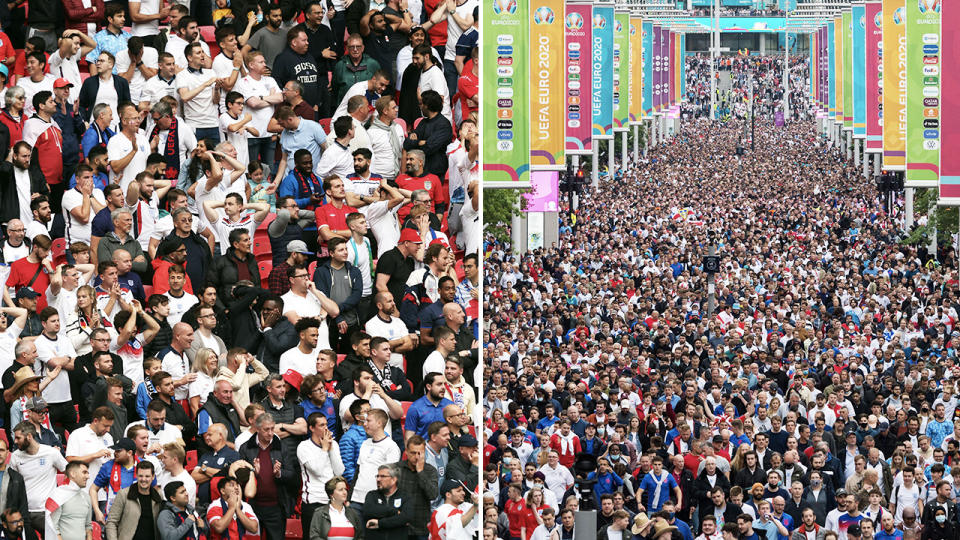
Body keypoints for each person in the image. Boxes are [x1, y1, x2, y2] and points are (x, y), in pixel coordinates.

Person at [236, 412, 297, 540]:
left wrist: (279, 473)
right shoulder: (246, 448)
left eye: (272, 429)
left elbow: (292, 474)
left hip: (276, 507)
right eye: (266, 430)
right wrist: (253, 472)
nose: (270, 433)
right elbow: (239, 478)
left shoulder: (281, 447)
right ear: (257, 429)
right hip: (252, 507)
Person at [9, 422, 67, 535]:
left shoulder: (51, 452)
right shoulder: (15, 456)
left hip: (46, 512)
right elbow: (12, 484)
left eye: (18, 438)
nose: (15, 441)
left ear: (29, 437)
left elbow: (70, 472)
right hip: (24, 512)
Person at [296, 412, 344, 532]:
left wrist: (331, 448)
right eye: (321, 425)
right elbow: (317, 470)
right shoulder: (304, 447)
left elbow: (339, 472)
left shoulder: (334, 445)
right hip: (313, 501)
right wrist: (324, 449)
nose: (326, 428)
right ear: (312, 428)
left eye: (326, 424)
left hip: (332, 501)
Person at [104, 461, 163, 540]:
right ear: (136, 476)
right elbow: (111, 522)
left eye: (147, 476)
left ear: (153, 477)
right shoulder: (123, 494)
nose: (143, 479)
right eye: (141, 476)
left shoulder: (158, 496)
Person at [395, 434, 439, 538]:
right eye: (413, 453)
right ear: (406, 451)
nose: (416, 457)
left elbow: (433, 495)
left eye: (420, 453)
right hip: (399, 525)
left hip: (420, 526)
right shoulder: (397, 469)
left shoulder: (430, 470)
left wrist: (420, 472)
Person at [362, 463, 414, 538]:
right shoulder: (372, 495)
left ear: (394, 479)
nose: (378, 479)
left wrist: (379, 523)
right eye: (377, 476)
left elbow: (406, 518)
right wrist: (395, 512)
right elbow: (368, 511)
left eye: (382, 476)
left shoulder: (405, 497)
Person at [44, 461, 92, 540]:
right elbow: (53, 528)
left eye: (88, 473)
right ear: (72, 474)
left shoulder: (87, 497)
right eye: (84, 472)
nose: (88, 476)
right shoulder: (57, 496)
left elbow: (88, 527)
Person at [206, 475, 260, 540]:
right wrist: (232, 508)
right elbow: (219, 528)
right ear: (223, 491)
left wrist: (238, 510)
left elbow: (254, 529)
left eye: (237, 485)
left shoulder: (245, 506)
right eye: (232, 485)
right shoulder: (215, 506)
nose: (236, 488)